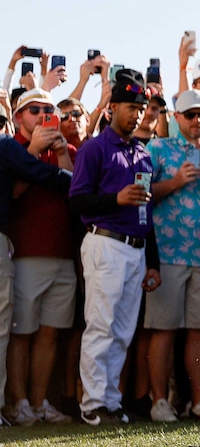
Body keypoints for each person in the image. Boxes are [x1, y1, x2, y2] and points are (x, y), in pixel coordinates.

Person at [68, 69, 161, 426]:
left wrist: (153, 261)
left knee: (122, 332)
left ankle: (110, 401)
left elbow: (145, 211)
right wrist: (115, 199)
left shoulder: (143, 153)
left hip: (136, 249)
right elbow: (77, 201)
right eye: (129, 106)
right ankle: (92, 405)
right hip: (104, 242)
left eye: (141, 107)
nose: (136, 113)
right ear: (112, 109)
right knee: (101, 327)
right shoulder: (94, 148)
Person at [144, 89, 200, 422]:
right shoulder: (158, 148)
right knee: (163, 329)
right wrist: (176, 182)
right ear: (177, 117)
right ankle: (159, 403)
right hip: (165, 253)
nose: (197, 121)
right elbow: (143, 196)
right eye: (191, 115)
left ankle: (198, 402)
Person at [5, 89, 76, 425]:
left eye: (48, 109)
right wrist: (32, 152)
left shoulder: (68, 148)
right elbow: (12, 195)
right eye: (33, 110)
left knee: (49, 333)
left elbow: (76, 195)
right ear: (18, 117)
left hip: (62, 254)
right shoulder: (11, 148)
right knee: (21, 332)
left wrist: (62, 154)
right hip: (24, 253)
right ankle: (17, 402)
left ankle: (38, 402)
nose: (41, 115)